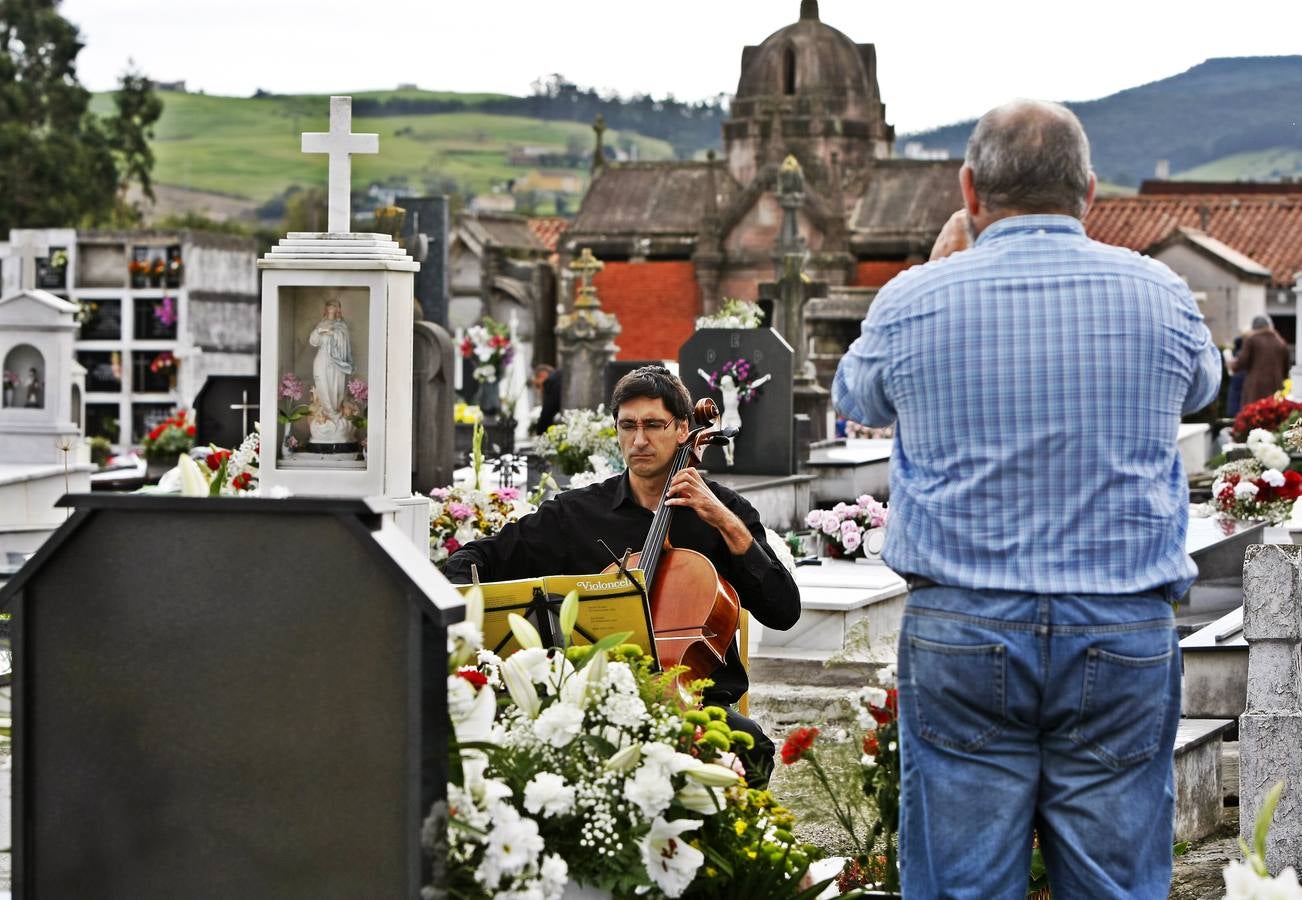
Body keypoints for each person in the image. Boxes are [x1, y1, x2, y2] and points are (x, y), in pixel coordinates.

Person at [833, 100, 1220, 899]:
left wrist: (938, 269)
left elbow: (857, 399)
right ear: (1089, 193)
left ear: (969, 190)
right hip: (1120, 623)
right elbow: (1206, 386)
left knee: (962, 886)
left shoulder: (915, 299)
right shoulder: (1162, 294)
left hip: (966, 627)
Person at [444, 365, 800, 786]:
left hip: (699, 704)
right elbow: (474, 559)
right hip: (595, 697)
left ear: (685, 429)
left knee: (749, 746)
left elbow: (783, 611)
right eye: (628, 425)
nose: (639, 439)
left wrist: (729, 527)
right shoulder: (576, 513)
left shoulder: (725, 512)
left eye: (653, 424)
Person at [1230, 314, 1291, 407]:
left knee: (1253, 417)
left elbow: (1242, 362)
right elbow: (1286, 370)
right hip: (1276, 389)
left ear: (1254, 327)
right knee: (1274, 416)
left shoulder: (1251, 340)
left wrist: (1232, 364)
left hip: (1255, 390)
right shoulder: (1281, 342)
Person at [309, 298, 352, 418]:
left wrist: (334, 334)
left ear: (338, 309)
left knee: (336, 386)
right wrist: (319, 331)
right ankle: (327, 414)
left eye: (335, 306)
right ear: (326, 308)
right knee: (323, 385)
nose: (332, 309)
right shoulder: (321, 324)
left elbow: (345, 343)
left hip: (337, 361)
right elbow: (313, 341)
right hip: (322, 358)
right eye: (330, 306)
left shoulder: (342, 326)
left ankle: (336, 413)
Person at [530, 363, 561, 435]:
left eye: (538, 386)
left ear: (542, 375)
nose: (540, 390)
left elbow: (546, 416)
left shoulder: (550, 383)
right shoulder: (558, 377)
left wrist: (539, 436)